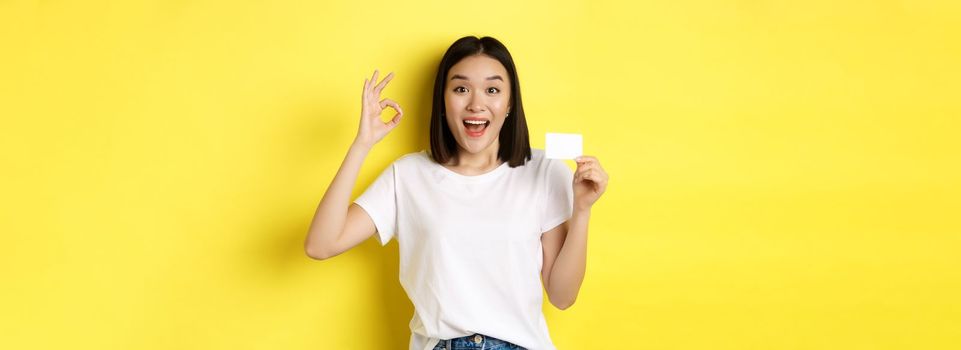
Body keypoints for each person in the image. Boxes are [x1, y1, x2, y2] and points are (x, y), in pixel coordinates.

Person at [305, 36, 609, 350]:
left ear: (509, 105)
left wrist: (583, 210)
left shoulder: (544, 170)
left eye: (492, 90)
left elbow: (562, 296)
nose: (476, 104)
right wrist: (362, 144)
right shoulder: (408, 175)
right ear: (443, 101)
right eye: (461, 89)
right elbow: (321, 244)